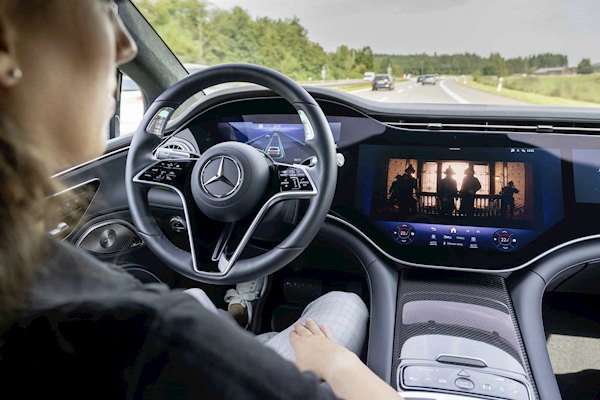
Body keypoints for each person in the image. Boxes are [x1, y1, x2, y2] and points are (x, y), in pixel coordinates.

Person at [0, 1, 401, 399]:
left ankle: (236, 314)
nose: (126, 45)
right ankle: (242, 316)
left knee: (193, 295)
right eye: (102, 7)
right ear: (4, 46)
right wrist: (337, 364)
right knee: (347, 302)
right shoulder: (163, 337)